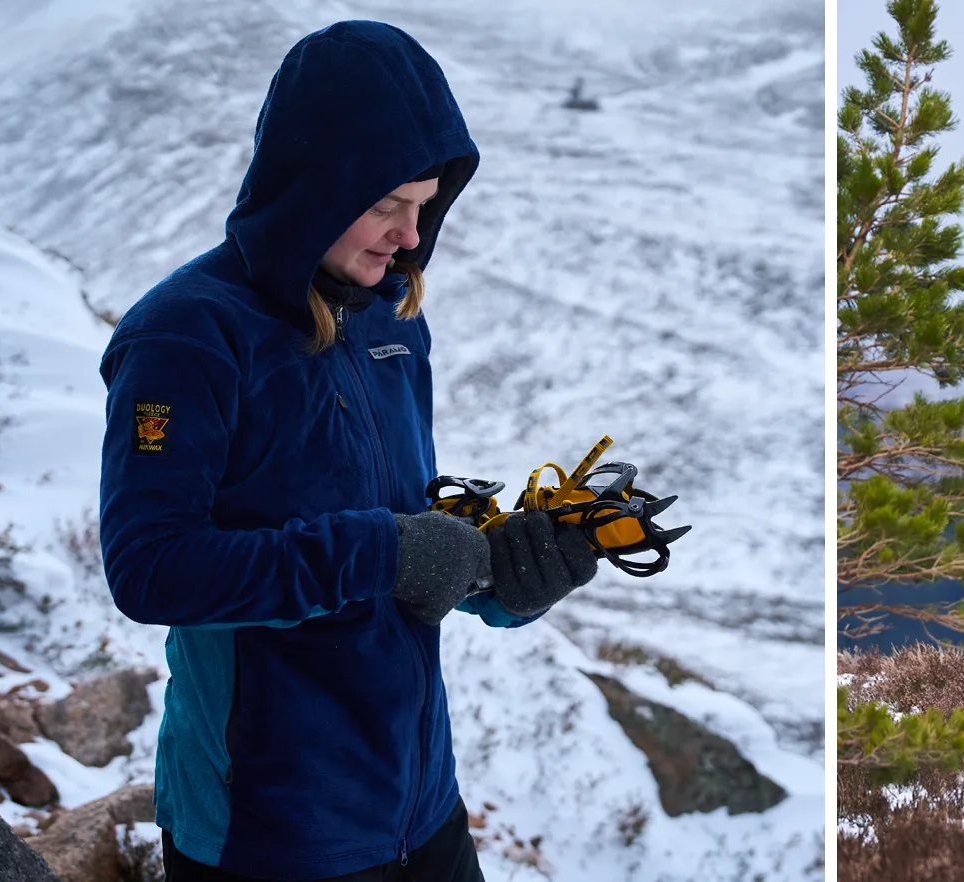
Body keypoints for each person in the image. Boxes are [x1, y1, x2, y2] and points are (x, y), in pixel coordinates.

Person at [97, 21, 600, 881]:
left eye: (425, 206)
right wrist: (383, 552)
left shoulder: (386, 317)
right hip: (270, 828)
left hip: (418, 805)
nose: (410, 237)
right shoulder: (188, 337)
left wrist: (501, 575)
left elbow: (400, 515)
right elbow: (151, 569)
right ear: (314, 186)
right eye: (385, 205)